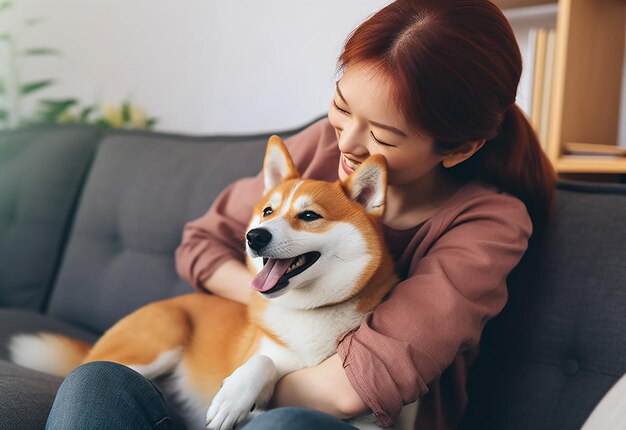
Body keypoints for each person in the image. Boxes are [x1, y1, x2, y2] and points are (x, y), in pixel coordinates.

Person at [45, 0, 556, 429]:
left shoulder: (490, 223)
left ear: (458, 148)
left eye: (381, 135)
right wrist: (275, 291)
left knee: (284, 425)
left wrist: (253, 379)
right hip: (230, 394)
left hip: (338, 416)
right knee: (97, 384)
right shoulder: (323, 145)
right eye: (340, 106)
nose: (348, 143)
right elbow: (201, 245)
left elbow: (352, 391)